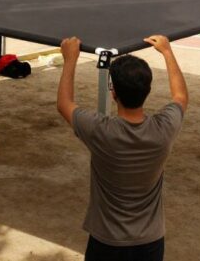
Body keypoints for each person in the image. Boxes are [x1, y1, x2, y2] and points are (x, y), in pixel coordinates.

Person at [57, 34, 188, 261]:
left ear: (113, 92)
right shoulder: (164, 128)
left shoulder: (101, 131)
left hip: (106, 242)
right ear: (147, 91)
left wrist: (70, 59)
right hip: (150, 241)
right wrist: (167, 52)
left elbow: (63, 104)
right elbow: (181, 96)